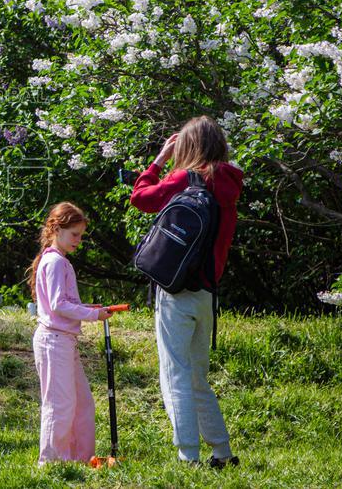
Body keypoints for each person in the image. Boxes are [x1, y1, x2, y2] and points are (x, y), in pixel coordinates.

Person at [129, 116, 243, 468]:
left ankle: (187, 456)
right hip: (208, 294)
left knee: (174, 372)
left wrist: (160, 159)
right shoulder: (230, 184)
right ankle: (221, 452)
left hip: (176, 293)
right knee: (197, 376)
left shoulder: (186, 179)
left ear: (187, 146)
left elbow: (140, 198)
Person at [30, 202, 114, 464]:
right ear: (56, 229)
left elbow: (64, 302)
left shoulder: (59, 261)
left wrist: (91, 308)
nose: (78, 240)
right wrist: (92, 315)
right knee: (60, 405)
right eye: (74, 234)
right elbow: (58, 305)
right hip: (53, 341)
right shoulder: (54, 261)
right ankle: (53, 463)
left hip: (64, 342)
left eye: (81, 235)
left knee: (82, 403)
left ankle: (80, 457)